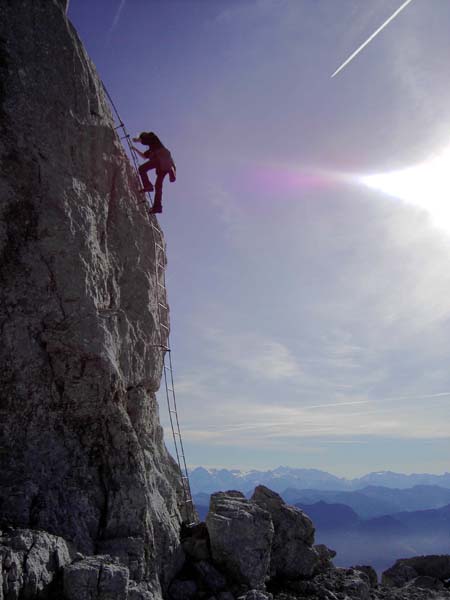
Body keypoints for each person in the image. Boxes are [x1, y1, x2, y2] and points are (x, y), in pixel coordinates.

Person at [132, 132, 176, 214]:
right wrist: (135, 149)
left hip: (161, 159)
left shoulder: (152, 137)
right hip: (164, 166)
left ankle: (148, 185)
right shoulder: (152, 149)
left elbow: (147, 139)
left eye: (142, 139)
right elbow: (144, 156)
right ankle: (157, 207)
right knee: (158, 186)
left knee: (142, 168)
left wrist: (137, 140)